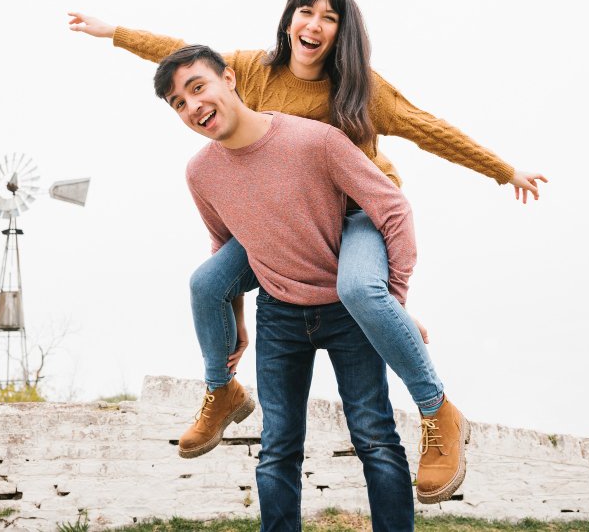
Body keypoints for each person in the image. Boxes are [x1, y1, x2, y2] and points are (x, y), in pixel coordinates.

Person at [68, 0, 545, 503]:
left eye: (329, 17)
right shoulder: (250, 69)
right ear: (289, 18)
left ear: (343, 32)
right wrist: (114, 32)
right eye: (305, 11)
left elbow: (427, 128)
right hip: (283, 221)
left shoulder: (359, 88)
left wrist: (503, 171)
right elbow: (183, 61)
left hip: (355, 215)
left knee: (361, 291)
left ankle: (438, 411)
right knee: (207, 282)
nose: (314, 25)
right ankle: (221, 390)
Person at [156, 44, 420, 530]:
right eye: (178, 102)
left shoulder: (313, 140)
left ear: (230, 79)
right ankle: (222, 392)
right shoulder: (200, 172)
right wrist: (234, 317)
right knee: (277, 449)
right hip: (278, 314)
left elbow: (390, 211)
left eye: (197, 88)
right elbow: (226, 245)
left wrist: (393, 305)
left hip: (348, 309)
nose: (192, 105)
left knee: (375, 436)